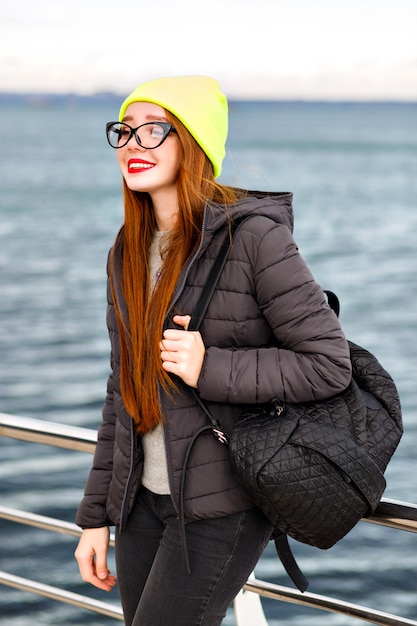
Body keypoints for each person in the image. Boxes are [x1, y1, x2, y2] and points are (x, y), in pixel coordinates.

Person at [74, 75, 352, 626]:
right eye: (125, 132)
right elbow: (120, 391)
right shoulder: (126, 251)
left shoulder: (253, 237)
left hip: (220, 505)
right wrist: (94, 518)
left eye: (155, 131)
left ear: (194, 143)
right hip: (141, 503)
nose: (134, 145)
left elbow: (328, 364)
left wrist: (210, 367)